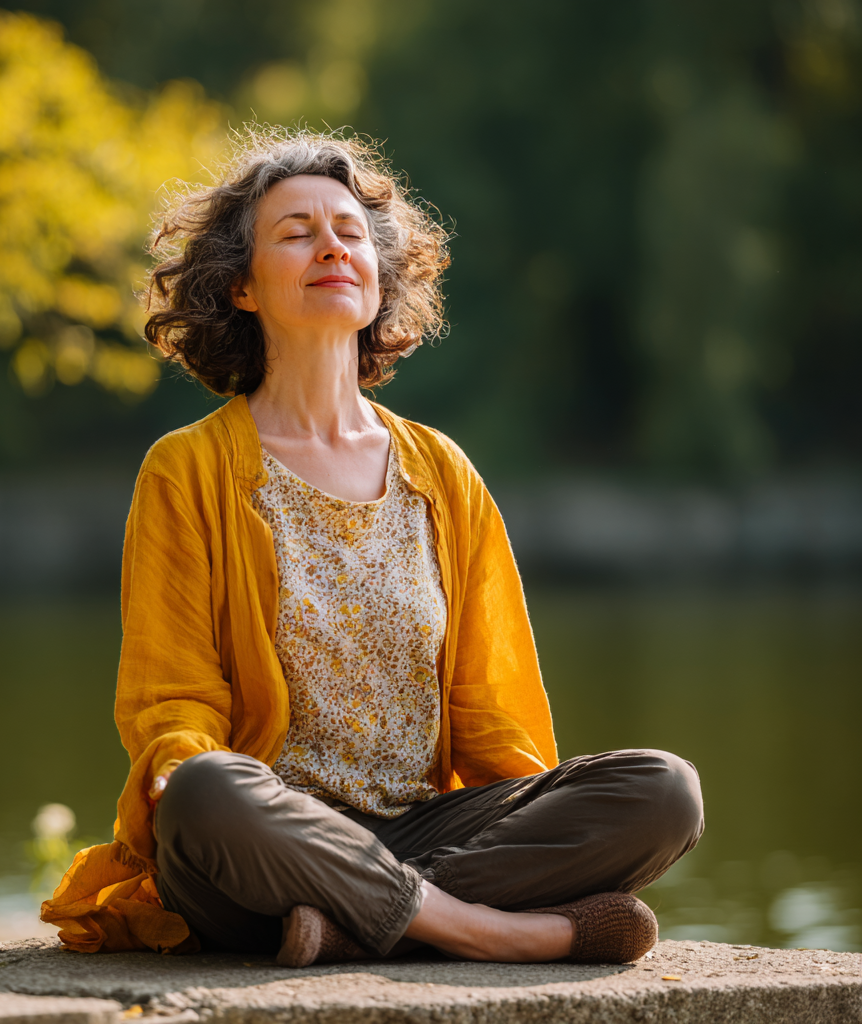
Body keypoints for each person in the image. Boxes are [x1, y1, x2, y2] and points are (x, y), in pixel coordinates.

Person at [40, 130, 704, 966]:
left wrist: (542, 817)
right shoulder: (186, 469)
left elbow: (493, 717)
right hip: (262, 836)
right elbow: (171, 700)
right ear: (241, 287)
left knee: (662, 790)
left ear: (379, 275)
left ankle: (353, 925)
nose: (331, 247)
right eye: (296, 232)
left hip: (425, 820)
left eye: (350, 232)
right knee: (208, 790)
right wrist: (179, 768)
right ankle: (483, 931)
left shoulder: (441, 471)